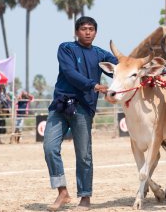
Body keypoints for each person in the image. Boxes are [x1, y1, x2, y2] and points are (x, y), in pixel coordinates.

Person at [43, 16, 118, 211]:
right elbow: (69, 72)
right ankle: (62, 191)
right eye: (83, 28)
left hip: (84, 108)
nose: (87, 32)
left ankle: (85, 197)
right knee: (50, 147)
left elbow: (120, 68)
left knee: (84, 155)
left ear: (95, 32)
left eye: (91, 29)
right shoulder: (66, 48)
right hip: (60, 106)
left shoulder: (101, 54)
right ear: (76, 32)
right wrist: (92, 84)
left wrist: (137, 65)